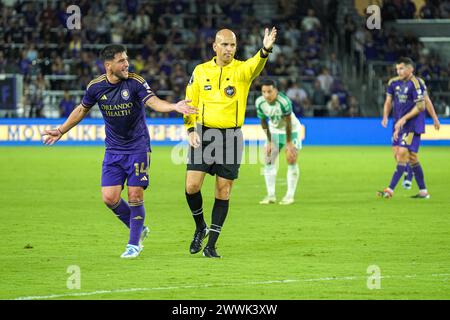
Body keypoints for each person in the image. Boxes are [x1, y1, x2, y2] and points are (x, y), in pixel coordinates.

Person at [42, 44, 196, 258]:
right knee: (109, 198)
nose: (127, 64)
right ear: (108, 65)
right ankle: (139, 229)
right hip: (113, 149)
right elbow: (81, 110)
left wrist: (173, 107)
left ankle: (134, 244)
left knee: (135, 194)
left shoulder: (135, 82)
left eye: (126, 59)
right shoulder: (96, 87)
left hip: (138, 147)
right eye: (121, 61)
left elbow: (153, 102)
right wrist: (61, 130)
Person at [183, 27, 277, 258]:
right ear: (215, 46)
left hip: (231, 137)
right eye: (225, 45)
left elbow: (256, 63)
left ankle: (211, 245)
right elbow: (189, 100)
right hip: (204, 135)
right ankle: (200, 227)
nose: (229, 49)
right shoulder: (200, 70)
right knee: (191, 186)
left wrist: (265, 49)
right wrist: (189, 129)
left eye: (233, 45)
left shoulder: (242, 70)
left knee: (223, 191)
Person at [378, 57, 437, 199]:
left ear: (411, 69)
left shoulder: (416, 83)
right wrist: (385, 116)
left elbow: (422, 105)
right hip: (398, 124)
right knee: (407, 156)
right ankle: (423, 191)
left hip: (412, 124)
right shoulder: (393, 82)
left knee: (403, 153)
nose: (399, 71)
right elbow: (388, 101)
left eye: (402, 68)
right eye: (397, 68)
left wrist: (434, 117)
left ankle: (390, 189)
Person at [256, 79, 302, 205]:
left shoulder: (284, 101)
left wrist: (289, 143)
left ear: (275, 90)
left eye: (269, 91)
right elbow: (263, 122)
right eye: (264, 92)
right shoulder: (260, 102)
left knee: (291, 159)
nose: (266, 95)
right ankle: (271, 195)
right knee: (268, 159)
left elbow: (288, 122)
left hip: (291, 131)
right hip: (274, 131)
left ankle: (289, 195)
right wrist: (270, 141)